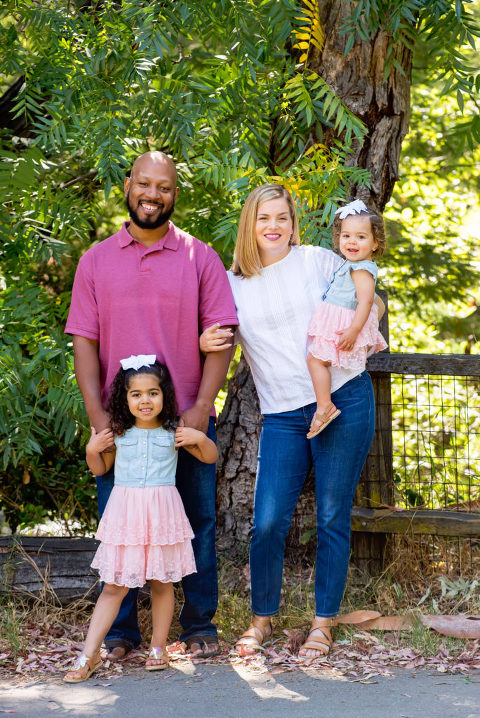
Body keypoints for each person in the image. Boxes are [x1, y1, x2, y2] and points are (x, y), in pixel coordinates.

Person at [65, 151, 238, 659]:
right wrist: (100, 419)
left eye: (163, 187)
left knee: (197, 521)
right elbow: (83, 342)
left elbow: (224, 334)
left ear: (174, 195)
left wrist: (201, 406)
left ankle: (199, 625)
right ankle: (120, 635)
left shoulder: (198, 256)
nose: (152, 194)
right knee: (119, 531)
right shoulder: (96, 260)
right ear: (128, 186)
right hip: (120, 427)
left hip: (184, 422)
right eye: (144, 184)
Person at [200, 184, 384, 660]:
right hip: (282, 413)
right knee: (268, 522)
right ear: (250, 225)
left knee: (331, 517)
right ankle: (261, 619)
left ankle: (323, 624)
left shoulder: (318, 261)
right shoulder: (232, 284)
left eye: (282, 217)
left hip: (343, 397)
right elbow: (214, 339)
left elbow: (368, 293)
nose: (274, 227)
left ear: (293, 222)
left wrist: (371, 313)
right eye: (264, 218)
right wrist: (203, 343)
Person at [64, 357, 218, 682]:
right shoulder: (117, 434)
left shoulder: (173, 432)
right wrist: (92, 448)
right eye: (136, 394)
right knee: (114, 586)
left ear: (165, 396)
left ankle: (158, 647)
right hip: (127, 515)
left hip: (163, 514)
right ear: (125, 398)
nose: (145, 400)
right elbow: (99, 469)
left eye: (152, 393)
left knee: (162, 583)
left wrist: (200, 438)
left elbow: (209, 456)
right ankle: (88, 654)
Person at [305, 199, 387, 438]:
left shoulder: (362, 269)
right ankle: (323, 406)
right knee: (316, 359)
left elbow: (366, 302)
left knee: (315, 360)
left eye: (361, 237)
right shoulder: (351, 264)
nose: (352, 241)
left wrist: (353, 331)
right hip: (340, 320)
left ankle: (324, 406)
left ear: (375, 243)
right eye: (346, 236)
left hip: (345, 324)